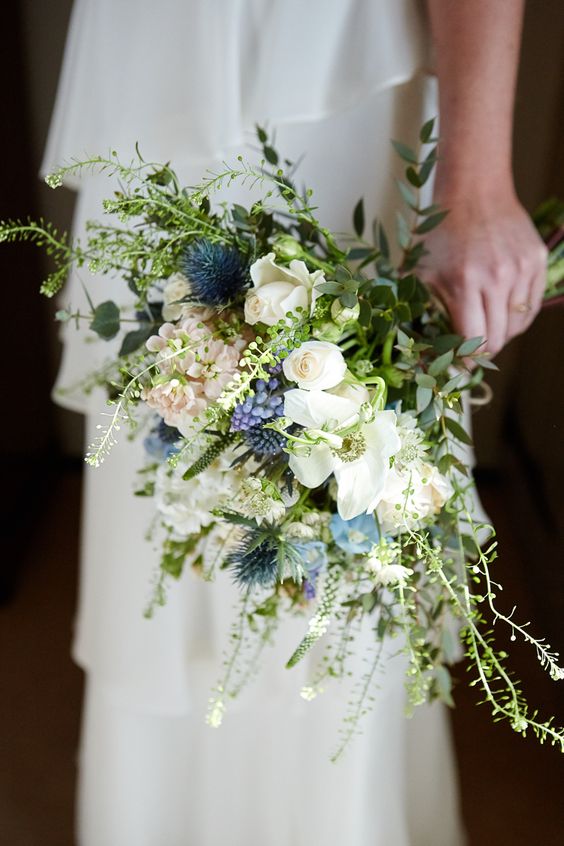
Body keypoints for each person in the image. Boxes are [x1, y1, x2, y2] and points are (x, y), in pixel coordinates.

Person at [41, 1, 546, 844]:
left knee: (349, 519)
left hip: (334, 73)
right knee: (165, 497)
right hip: (152, 79)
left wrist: (479, 180)